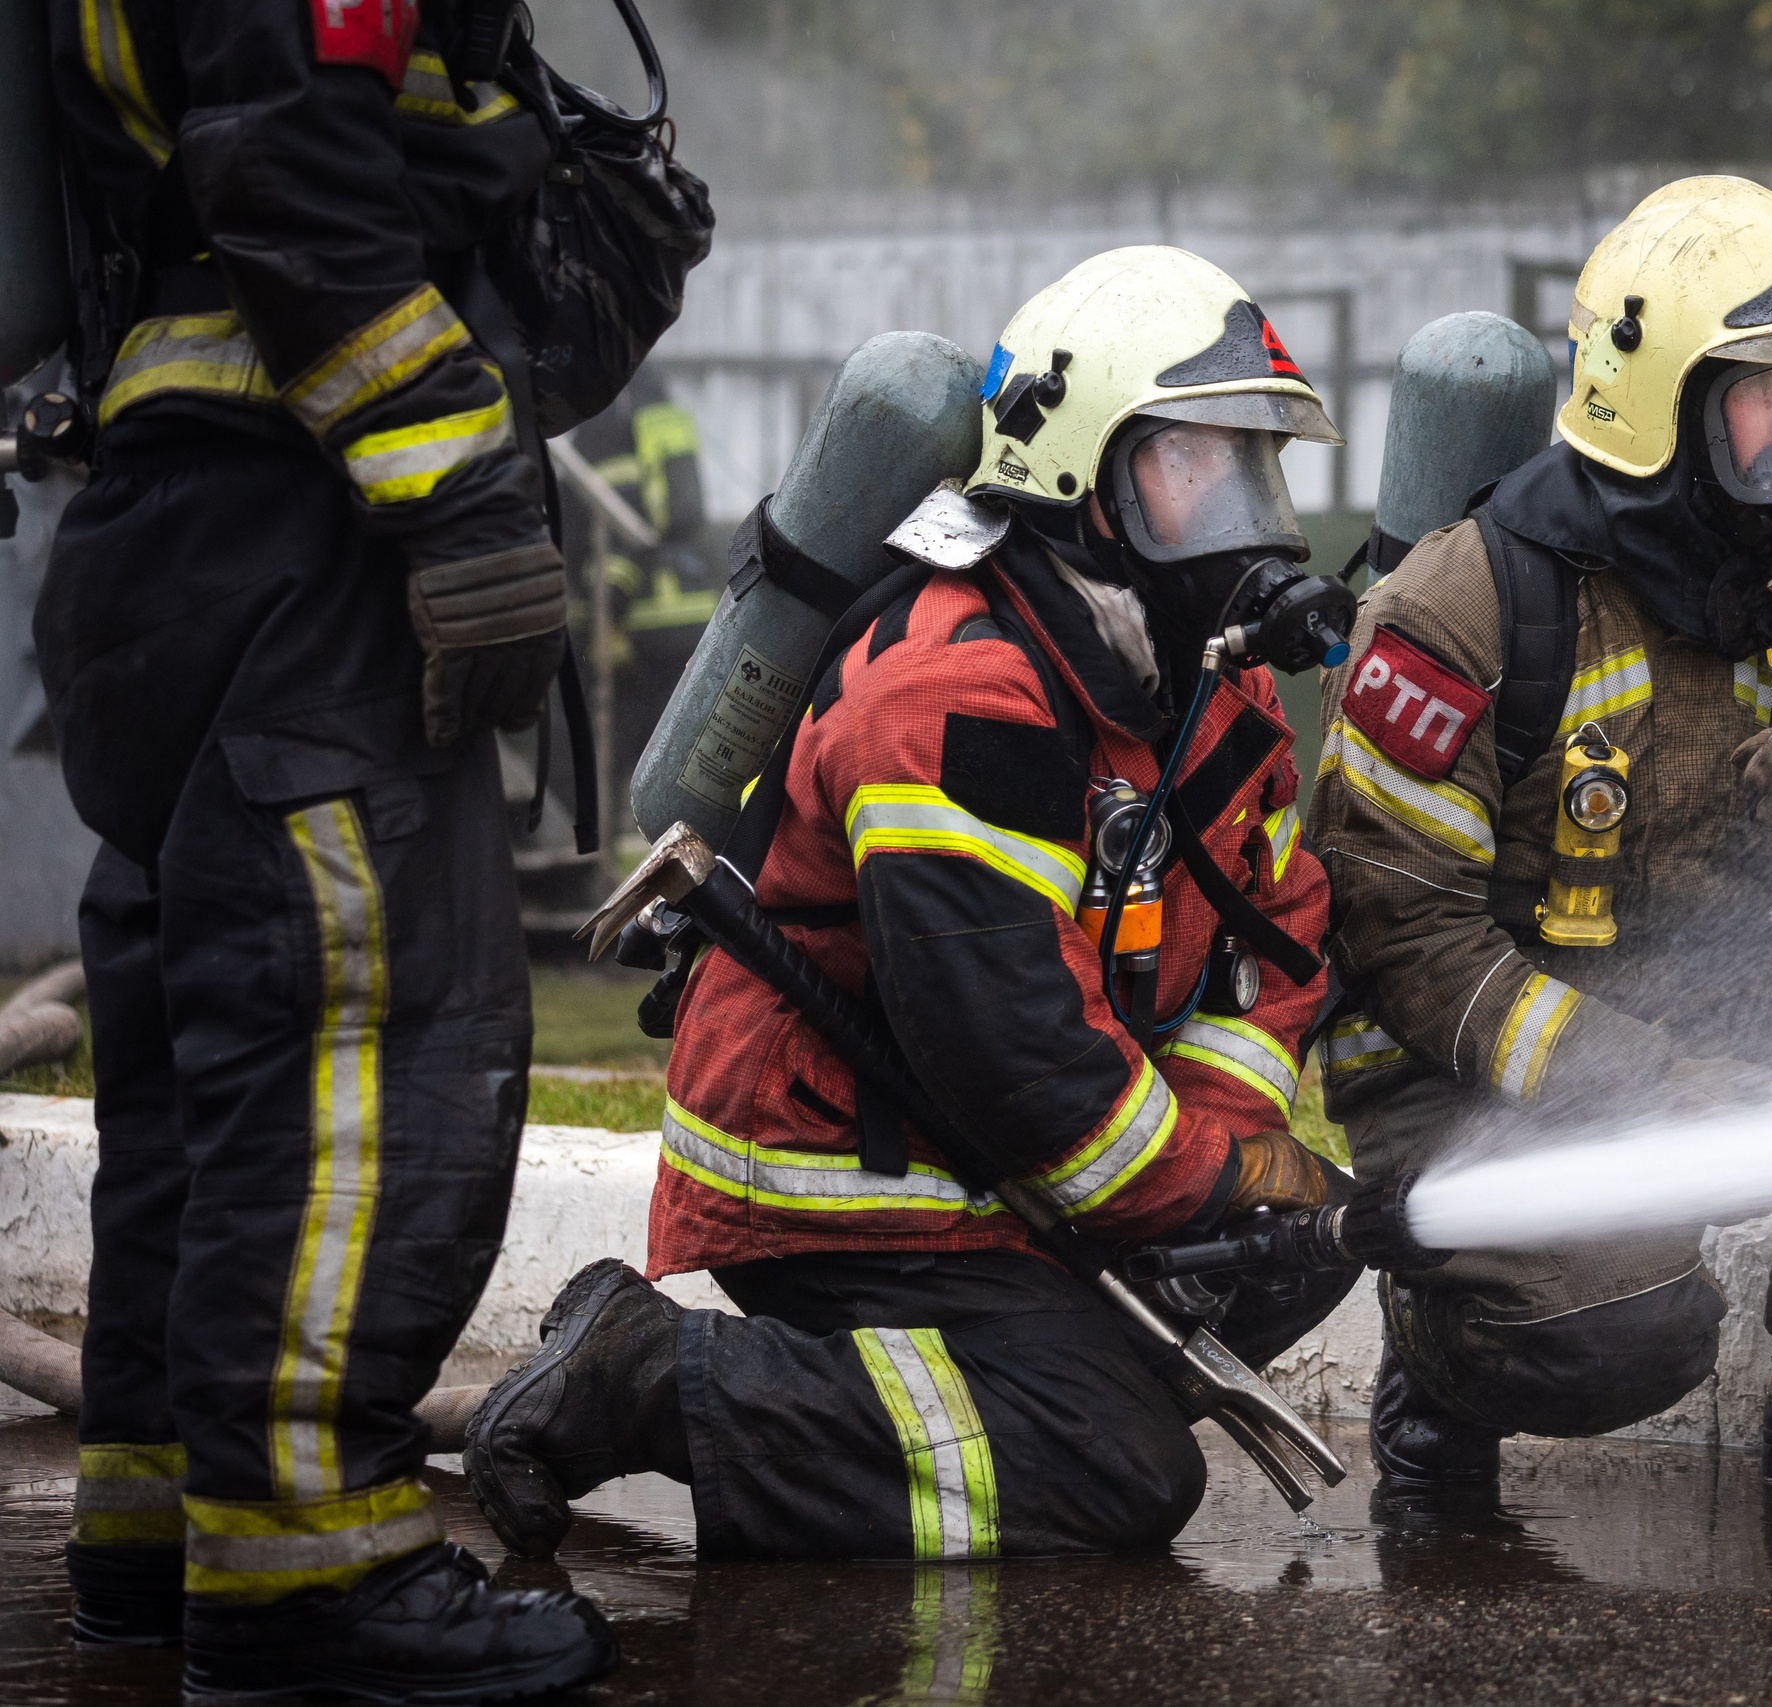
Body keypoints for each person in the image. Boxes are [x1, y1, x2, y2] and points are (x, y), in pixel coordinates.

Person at [466, 246, 1359, 1560]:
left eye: (1258, 467)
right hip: (850, 1168)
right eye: (1199, 467)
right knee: (1117, 1469)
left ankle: (1014, 1383)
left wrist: (1231, 1156)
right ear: (1087, 485)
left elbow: (1271, 956)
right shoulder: (955, 691)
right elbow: (1023, 1070)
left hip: (1007, 1160)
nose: (1250, 513)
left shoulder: (1201, 686)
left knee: (1302, 1233)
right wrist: (1209, 1172)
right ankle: (653, 1373)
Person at [1308, 176, 1772, 1505]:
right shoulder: (1467, 611)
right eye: (1762, 399)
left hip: (1704, 1007)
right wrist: (1650, 1081)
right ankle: (1436, 1367)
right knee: (1618, 1333)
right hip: (1476, 1070)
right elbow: (1406, 942)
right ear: (1657, 405)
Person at [36, 0, 621, 1695]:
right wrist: (459, 484)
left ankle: (159, 1536)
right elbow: (288, 152)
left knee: (201, 1087)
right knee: (361, 1047)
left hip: (176, 527)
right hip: (305, 521)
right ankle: (311, 1576)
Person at [559, 361, 718, 767]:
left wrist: (605, 618)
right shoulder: (654, 419)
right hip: (693, 613)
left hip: (640, 628)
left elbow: (613, 542)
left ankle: (636, 829)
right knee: (683, 751)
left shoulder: (597, 442)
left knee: (637, 752)